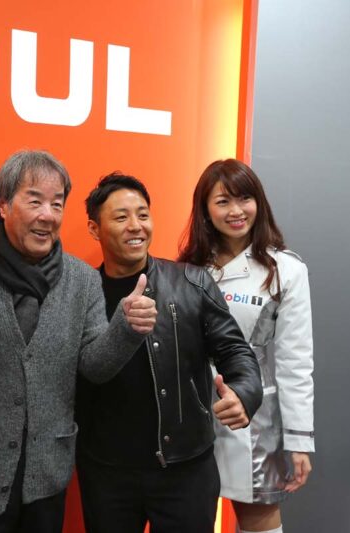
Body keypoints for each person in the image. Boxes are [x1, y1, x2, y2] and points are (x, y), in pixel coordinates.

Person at [0, 151, 157, 533]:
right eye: (35, 201)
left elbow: (94, 366)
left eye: (57, 204)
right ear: (3, 205)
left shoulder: (82, 280)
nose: (48, 215)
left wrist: (125, 329)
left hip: (47, 474)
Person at [75, 172, 263, 533]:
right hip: (107, 473)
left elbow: (235, 350)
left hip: (185, 468)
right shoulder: (82, 292)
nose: (136, 226)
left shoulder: (192, 282)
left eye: (143, 215)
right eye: (121, 217)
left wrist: (244, 392)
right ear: (94, 229)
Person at [178, 159, 314, 533]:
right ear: (205, 209)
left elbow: (295, 362)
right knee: (188, 517)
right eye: (223, 201)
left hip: (256, 417)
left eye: (244, 199)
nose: (236, 211)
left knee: (259, 521)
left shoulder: (285, 270)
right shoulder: (188, 268)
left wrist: (298, 440)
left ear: (259, 202)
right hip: (191, 412)